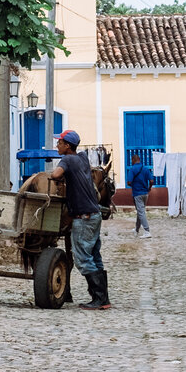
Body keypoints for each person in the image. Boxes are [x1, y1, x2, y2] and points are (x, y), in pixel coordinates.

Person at [49, 130, 110, 310]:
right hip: (94, 214)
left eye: (59, 142)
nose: (57, 145)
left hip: (83, 218)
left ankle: (99, 299)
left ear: (67, 146)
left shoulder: (67, 160)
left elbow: (56, 175)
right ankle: (103, 299)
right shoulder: (82, 157)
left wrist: (54, 174)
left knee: (83, 258)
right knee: (94, 255)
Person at [126, 154, 153, 238]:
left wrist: (134, 186)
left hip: (137, 193)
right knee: (140, 211)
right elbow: (151, 181)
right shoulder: (145, 169)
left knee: (141, 212)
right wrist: (149, 188)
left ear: (133, 160)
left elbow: (129, 182)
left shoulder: (132, 169)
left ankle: (147, 231)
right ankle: (137, 229)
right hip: (145, 193)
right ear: (139, 159)